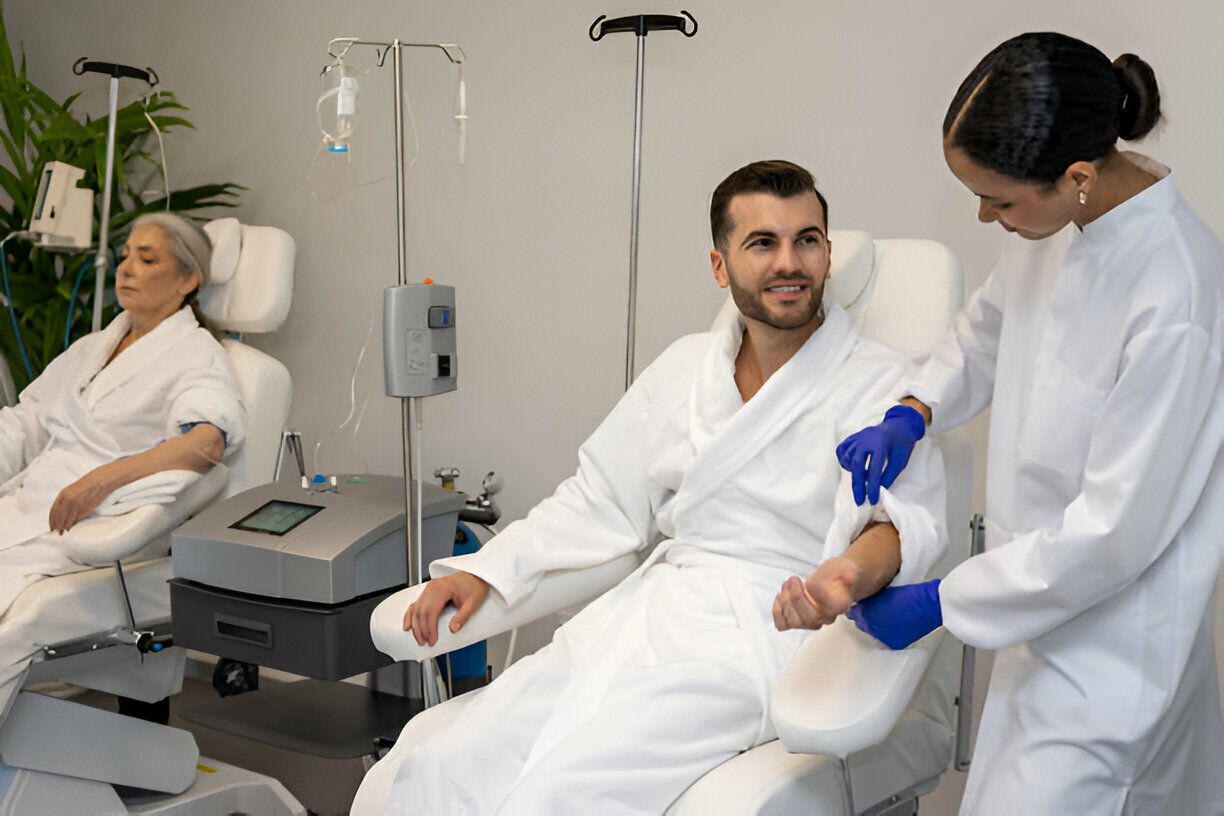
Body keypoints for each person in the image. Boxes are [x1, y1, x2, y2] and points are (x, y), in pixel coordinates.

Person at [351, 160, 947, 815]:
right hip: (647, 615)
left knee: (562, 794)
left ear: (828, 255)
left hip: (760, 634)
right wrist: (486, 573)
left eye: (807, 240)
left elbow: (898, 526)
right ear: (720, 267)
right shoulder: (687, 367)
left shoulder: (884, 385)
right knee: (436, 767)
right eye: (762, 243)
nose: (790, 262)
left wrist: (842, 580)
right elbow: (597, 500)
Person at [834, 33, 1224, 815]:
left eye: (999, 199)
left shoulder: (1174, 294)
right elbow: (983, 331)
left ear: (1077, 177)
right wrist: (912, 412)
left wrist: (941, 601)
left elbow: (1113, 533)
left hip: (1113, 654)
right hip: (1035, 618)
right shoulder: (1058, 225)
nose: (985, 215)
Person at [0, 212, 245, 719]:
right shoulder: (94, 347)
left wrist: (100, 480)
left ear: (187, 280)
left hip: (91, 526)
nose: (127, 267)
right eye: (127, 254)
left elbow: (205, 443)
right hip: (29, 510)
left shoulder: (195, 353)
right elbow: (25, 424)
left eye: (147, 258)